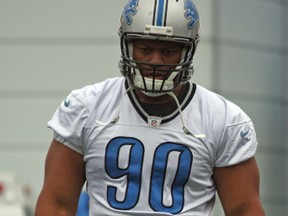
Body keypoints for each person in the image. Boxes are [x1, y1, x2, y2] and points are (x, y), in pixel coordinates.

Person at [35, 0, 265, 215]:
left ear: (187, 51)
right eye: (145, 49)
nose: (155, 61)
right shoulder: (86, 107)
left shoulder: (223, 119)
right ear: (128, 46)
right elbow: (57, 204)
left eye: (168, 51)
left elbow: (244, 210)